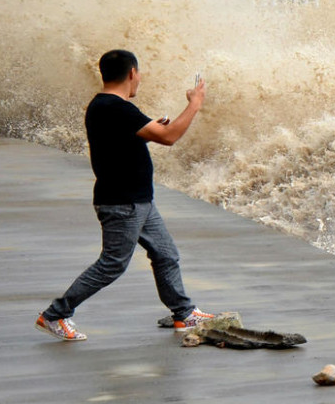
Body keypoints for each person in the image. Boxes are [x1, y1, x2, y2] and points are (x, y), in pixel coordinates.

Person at [35, 49, 213, 341]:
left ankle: (184, 313)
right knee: (112, 264)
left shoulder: (107, 106)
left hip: (138, 200)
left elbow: (141, 134)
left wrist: (153, 126)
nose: (139, 79)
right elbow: (169, 138)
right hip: (123, 202)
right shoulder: (116, 108)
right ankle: (56, 314)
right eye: (139, 74)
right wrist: (195, 104)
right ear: (132, 73)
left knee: (166, 254)